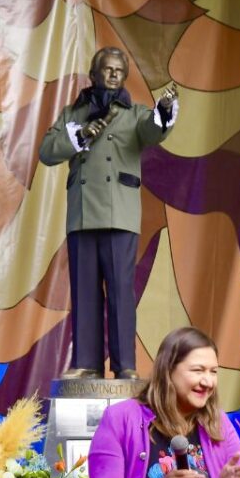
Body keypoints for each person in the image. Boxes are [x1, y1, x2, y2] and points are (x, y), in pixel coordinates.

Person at [39, 46, 178, 380]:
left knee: (120, 292)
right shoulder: (73, 113)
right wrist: (79, 138)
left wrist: (164, 110)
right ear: (94, 72)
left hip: (120, 213)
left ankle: (124, 365)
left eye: (119, 69)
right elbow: (47, 152)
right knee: (84, 290)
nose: (114, 74)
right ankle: (86, 363)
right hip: (83, 213)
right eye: (108, 69)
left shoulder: (134, 114)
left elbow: (154, 130)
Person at [87, 327, 240, 478]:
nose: (208, 381)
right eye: (198, 370)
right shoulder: (120, 418)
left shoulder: (219, 423)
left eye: (214, 372)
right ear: (168, 371)